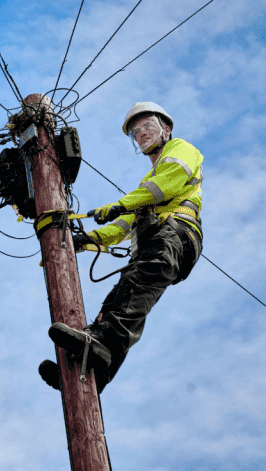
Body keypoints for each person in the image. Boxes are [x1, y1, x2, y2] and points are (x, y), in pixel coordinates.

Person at [38, 102, 204, 394]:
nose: (141, 134)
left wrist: (119, 204)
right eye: (135, 132)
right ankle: (96, 373)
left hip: (176, 235)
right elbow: (124, 223)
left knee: (134, 293)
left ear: (166, 128)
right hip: (156, 242)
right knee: (118, 301)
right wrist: (88, 240)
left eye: (147, 126)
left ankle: (98, 343)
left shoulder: (181, 150)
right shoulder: (146, 183)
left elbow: (167, 183)